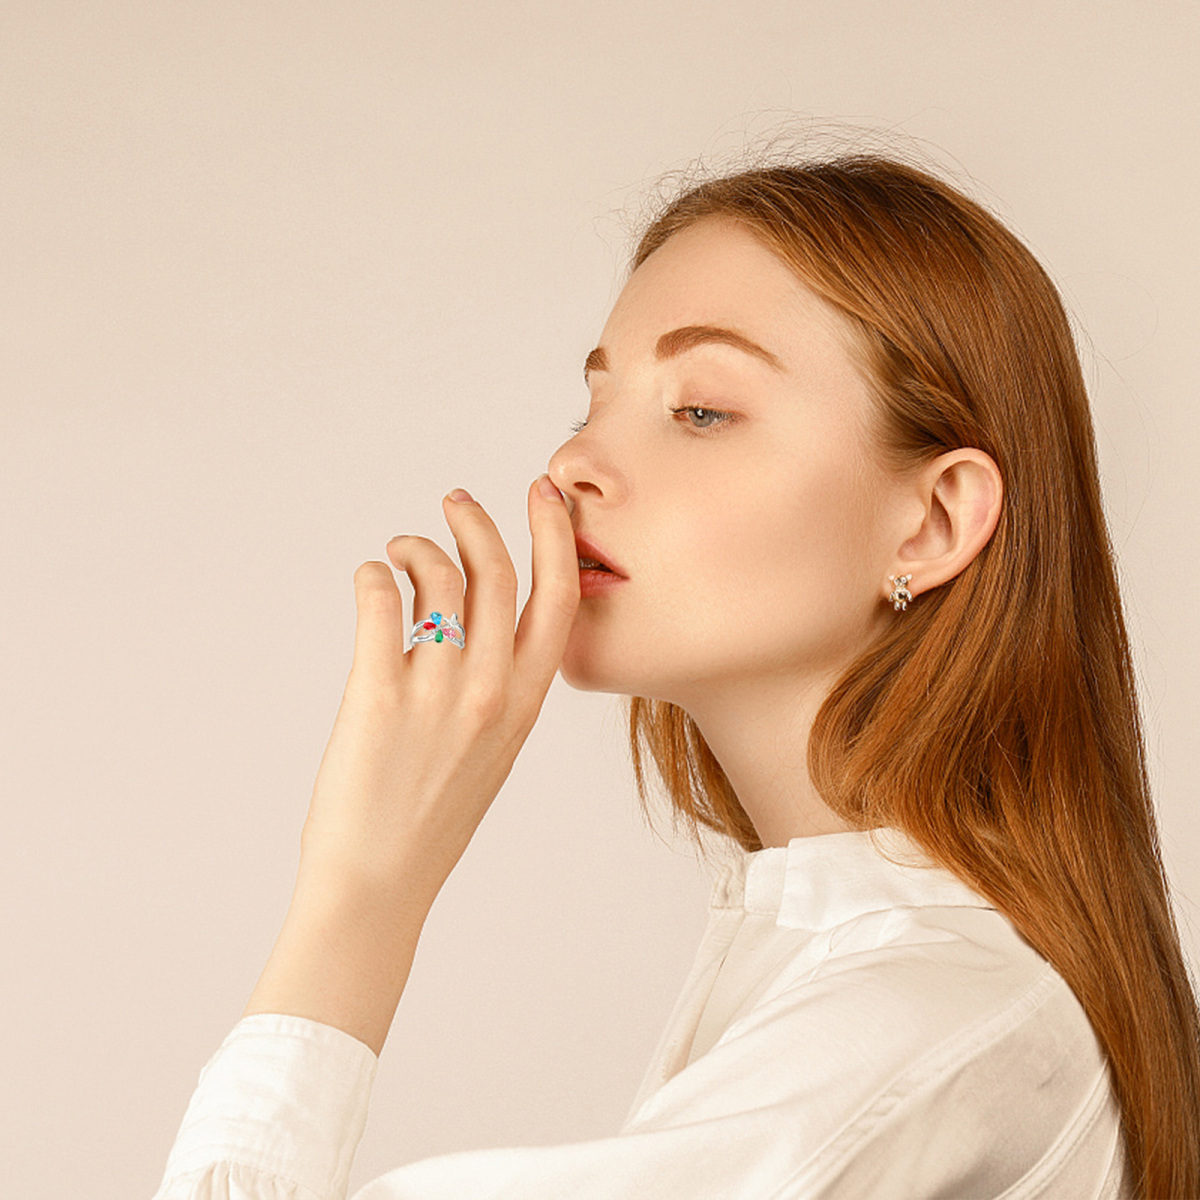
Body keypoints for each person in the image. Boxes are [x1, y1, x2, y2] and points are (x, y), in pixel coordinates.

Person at [150, 154, 1200, 1199]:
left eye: (701, 410)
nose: (574, 466)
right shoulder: (862, 972)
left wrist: (360, 896)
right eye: (589, 406)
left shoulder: (919, 1020)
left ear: (933, 521)